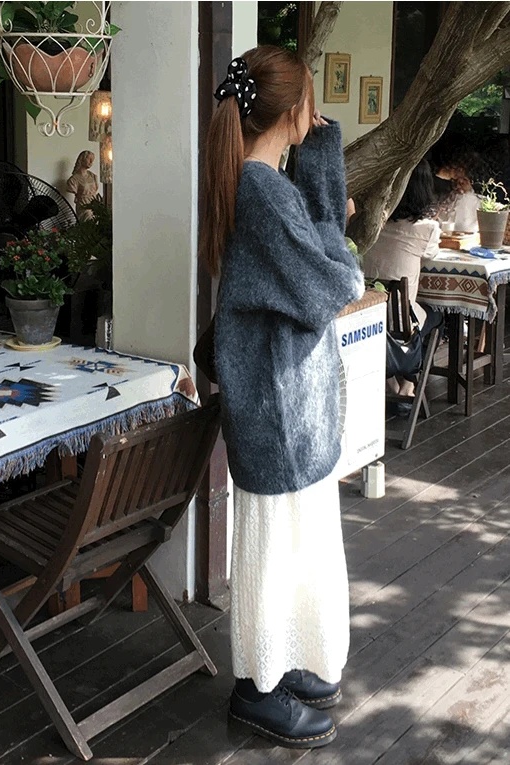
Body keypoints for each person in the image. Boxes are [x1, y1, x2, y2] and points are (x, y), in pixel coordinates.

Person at [198, 47, 364, 749]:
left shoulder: (262, 183)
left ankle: (284, 662)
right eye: (312, 104)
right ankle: (257, 688)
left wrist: (320, 155)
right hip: (277, 407)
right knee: (275, 547)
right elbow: (336, 282)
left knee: (292, 541)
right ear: (294, 110)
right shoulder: (263, 192)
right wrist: (327, 186)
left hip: (281, 400)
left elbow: (320, 253)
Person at [364, 159, 443, 396]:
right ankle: (409, 383)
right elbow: (432, 254)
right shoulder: (427, 228)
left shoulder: (372, 223)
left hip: (369, 313)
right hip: (402, 318)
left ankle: (390, 382)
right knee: (437, 317)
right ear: (425, 190)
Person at [66, 150, 99, 221]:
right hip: (83, 207)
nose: (91, 162)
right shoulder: (73, 179)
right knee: (88, 218)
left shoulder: (93, 176)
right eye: (89, 159)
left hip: (94, 206)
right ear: (82, 159)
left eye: (92, 160)